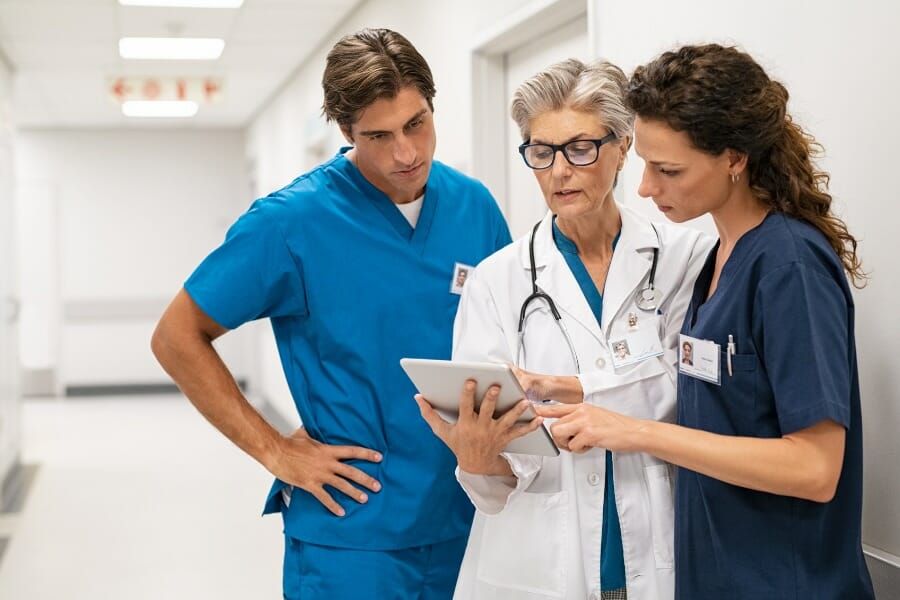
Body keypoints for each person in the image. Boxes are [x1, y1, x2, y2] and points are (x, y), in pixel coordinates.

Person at [150, 28, 511, 599]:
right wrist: (273, 450)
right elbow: (175, 337)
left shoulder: (475, 207)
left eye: (417, 124)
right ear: (345, 132)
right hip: (353, 533)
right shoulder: (289, 224)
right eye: (379, 135)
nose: (406, 153)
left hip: (474, 518)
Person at [536, 44, 875, 599]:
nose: (645, 187)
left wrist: (635, 433)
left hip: (786, 583)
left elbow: (815, 468)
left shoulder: (788, 266)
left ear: (734, 158)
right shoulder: (718, 257)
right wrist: (576, 389)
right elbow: (716, 396)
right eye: (644, 163)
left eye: (667, 169)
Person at [416, 59, 713, 600]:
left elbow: (693, 393)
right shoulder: (497, 281)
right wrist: (478, 458)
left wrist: (586, 393)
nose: (558, 171)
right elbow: (495, 475)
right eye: (541, 151)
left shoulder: (684, 258)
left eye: (580, 148)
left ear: (624, 146)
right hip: (540, 559)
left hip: (660, 544)